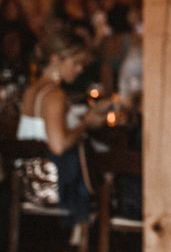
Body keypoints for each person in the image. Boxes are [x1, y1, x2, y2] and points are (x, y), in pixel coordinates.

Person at [17, 30, 108, 222]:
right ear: (55, 59)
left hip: (26, 184)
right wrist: (86, 123)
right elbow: (58, 146)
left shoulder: (31, 91)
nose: (79, 70)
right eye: (75, 63)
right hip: (53, 189)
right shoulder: (55, 96)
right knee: (107, 181)